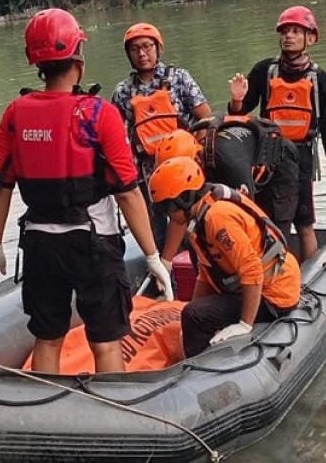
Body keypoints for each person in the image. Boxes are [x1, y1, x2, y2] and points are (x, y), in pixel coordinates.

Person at [0, 8, 172, 375]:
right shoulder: (99, 114)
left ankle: (46, 417)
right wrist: (153, 256)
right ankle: (115, 418)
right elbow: (127, 193)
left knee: (47, 338)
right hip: (93, 245)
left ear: (37, 64)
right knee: (106, 341)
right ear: (78, 57)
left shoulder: (15, 114)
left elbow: (2, 187)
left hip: (40, 245)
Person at [148, 156, 301, 358]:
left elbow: (252, 269)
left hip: (274, 293)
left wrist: (244, 324)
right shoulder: (201, 218)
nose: (168, 216)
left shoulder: (217, 218)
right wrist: (189, 318)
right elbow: (205, 274)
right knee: (192, 313)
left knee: (194, 316)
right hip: (266, 285)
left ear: (184, 199)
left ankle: (195, 369)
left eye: (168, 208)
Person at [228, 5, 326, 262]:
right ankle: (269, 273)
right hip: (268, 157)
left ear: (310, 38)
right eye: (285, 31)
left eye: (295, 31)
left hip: (301, 157)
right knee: (266, 219)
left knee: (304, 222)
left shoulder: (320, 80)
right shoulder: (263, 71)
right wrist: (237, 100)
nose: (288, 36)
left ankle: (308, 280)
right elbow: (240, 113)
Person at [112, 22, 212, 250]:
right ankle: (166, 283)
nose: (142, 53)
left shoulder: (180, 79)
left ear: (158, 48)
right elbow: (115, 137)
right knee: (156, 237)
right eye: (135, 49)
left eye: (147, 46)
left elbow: (206, 119)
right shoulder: (122, 92)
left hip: (185, 172)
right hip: (147, 176)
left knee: (196, 234)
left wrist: (200, 156)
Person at [156, 115, 299, 244]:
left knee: (274, 235)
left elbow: (250, 215)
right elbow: (180, 217)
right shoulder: (199, 163)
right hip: (247, 161)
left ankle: (286, 269)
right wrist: (165, 264)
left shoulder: (229, 164)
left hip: (280, 163)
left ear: (197, 157)